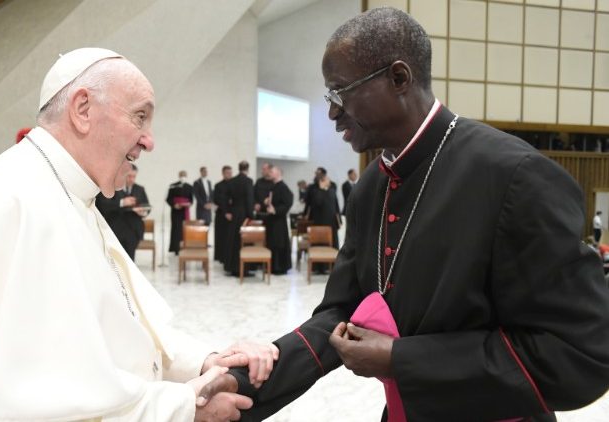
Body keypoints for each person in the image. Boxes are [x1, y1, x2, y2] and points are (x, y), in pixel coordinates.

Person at [209, 8, 609, 421]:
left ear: (399, 78)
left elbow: (579, 355)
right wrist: (246, 383)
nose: (332, 112)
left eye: (340, 92)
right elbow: (342, 313)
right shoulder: (371, 187)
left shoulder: (515, 175)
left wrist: (402, 359)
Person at [0, 48, 278, 421]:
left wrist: (207, 361)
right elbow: (36, 400)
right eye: (140, 117)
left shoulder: (72, 195)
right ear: (83, 109)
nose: (149, 140)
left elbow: (125, 325)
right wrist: (182, 408)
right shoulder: (13, 202)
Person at [95, 164, 149, 261]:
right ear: (123, 175)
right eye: (129, 176)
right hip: (115, 230)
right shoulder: (112, 187)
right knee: (115, 261)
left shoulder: (140, 189)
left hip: (133, 231)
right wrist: (122, 202)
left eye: (134, 176)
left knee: (130, 261)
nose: (132, 179)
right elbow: (103, 205)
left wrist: (143, 212)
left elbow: (146, 206)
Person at [223, 161, 254, 277]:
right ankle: (244, 268)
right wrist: (251, 215)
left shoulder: (231, 181)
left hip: (233, 213)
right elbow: (249, 200)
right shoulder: (248, 181)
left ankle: (232, 267)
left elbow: (225, 198)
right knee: (244, 241)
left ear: (238, 168)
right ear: (247, 169)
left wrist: (227, 211)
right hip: (243, 215)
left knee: (233, 240)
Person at [263, 166, 293, 275]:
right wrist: (267, 201)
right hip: (272, 221)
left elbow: (288, 202)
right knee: (272, 243)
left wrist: (275, 210)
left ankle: (279, 267)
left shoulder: (283, 187)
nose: (269, 173)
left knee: (278, 243)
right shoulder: (274, 186)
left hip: (279, 222)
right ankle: (272, 267)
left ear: (278, 173)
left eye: (272, 171)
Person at [305, 167, 341, 253]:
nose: (318, 176)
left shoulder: (332, 186)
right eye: (317, 173)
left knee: (333, 242)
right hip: (318, 219)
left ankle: (332, 263)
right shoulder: (313, 188)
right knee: (319, 243)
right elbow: (312, 202)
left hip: (331, 220)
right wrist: (321, 189)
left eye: (320, 174)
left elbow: (336, 204)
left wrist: (338, 219)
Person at [166, 170, 194, 255]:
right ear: (179, 176)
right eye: (181, 175)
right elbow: (168, 199)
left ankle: (185, 247)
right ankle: (176, 249)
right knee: (176, 229)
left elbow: (191, 199)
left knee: (184, 229)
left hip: (185, 211)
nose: (183, 176)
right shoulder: (173, 186)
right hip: (176, 211)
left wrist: (189, 204)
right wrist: (174, 205)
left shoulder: (190, 187)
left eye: (184, 175)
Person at [213, 165, 233, 263]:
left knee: (230, 237)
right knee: (221, 236)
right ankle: (220, 256)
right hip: (221, 214)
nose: (229, 175)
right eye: (227, 173)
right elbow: (216, 200)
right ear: (223, 173)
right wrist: (225, 211)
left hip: (232, 215)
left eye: (230, 173)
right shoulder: (218, 186)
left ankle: (229, 256)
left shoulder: (235, 185)